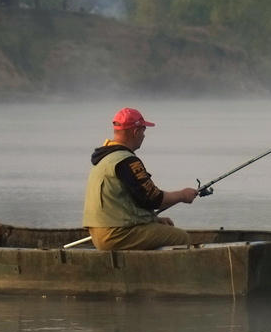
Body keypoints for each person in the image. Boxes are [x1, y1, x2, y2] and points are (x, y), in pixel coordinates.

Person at [82, 107, 199, 251]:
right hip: (117, 234)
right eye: (143, 131)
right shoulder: (126, 161)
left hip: (100, 233)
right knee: (181, 238)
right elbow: (153, 199)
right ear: (135, 132)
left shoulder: (104, 159)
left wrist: (153, 220)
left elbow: (129, 202)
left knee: (163, 231)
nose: (144, 136)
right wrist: (182, 195)